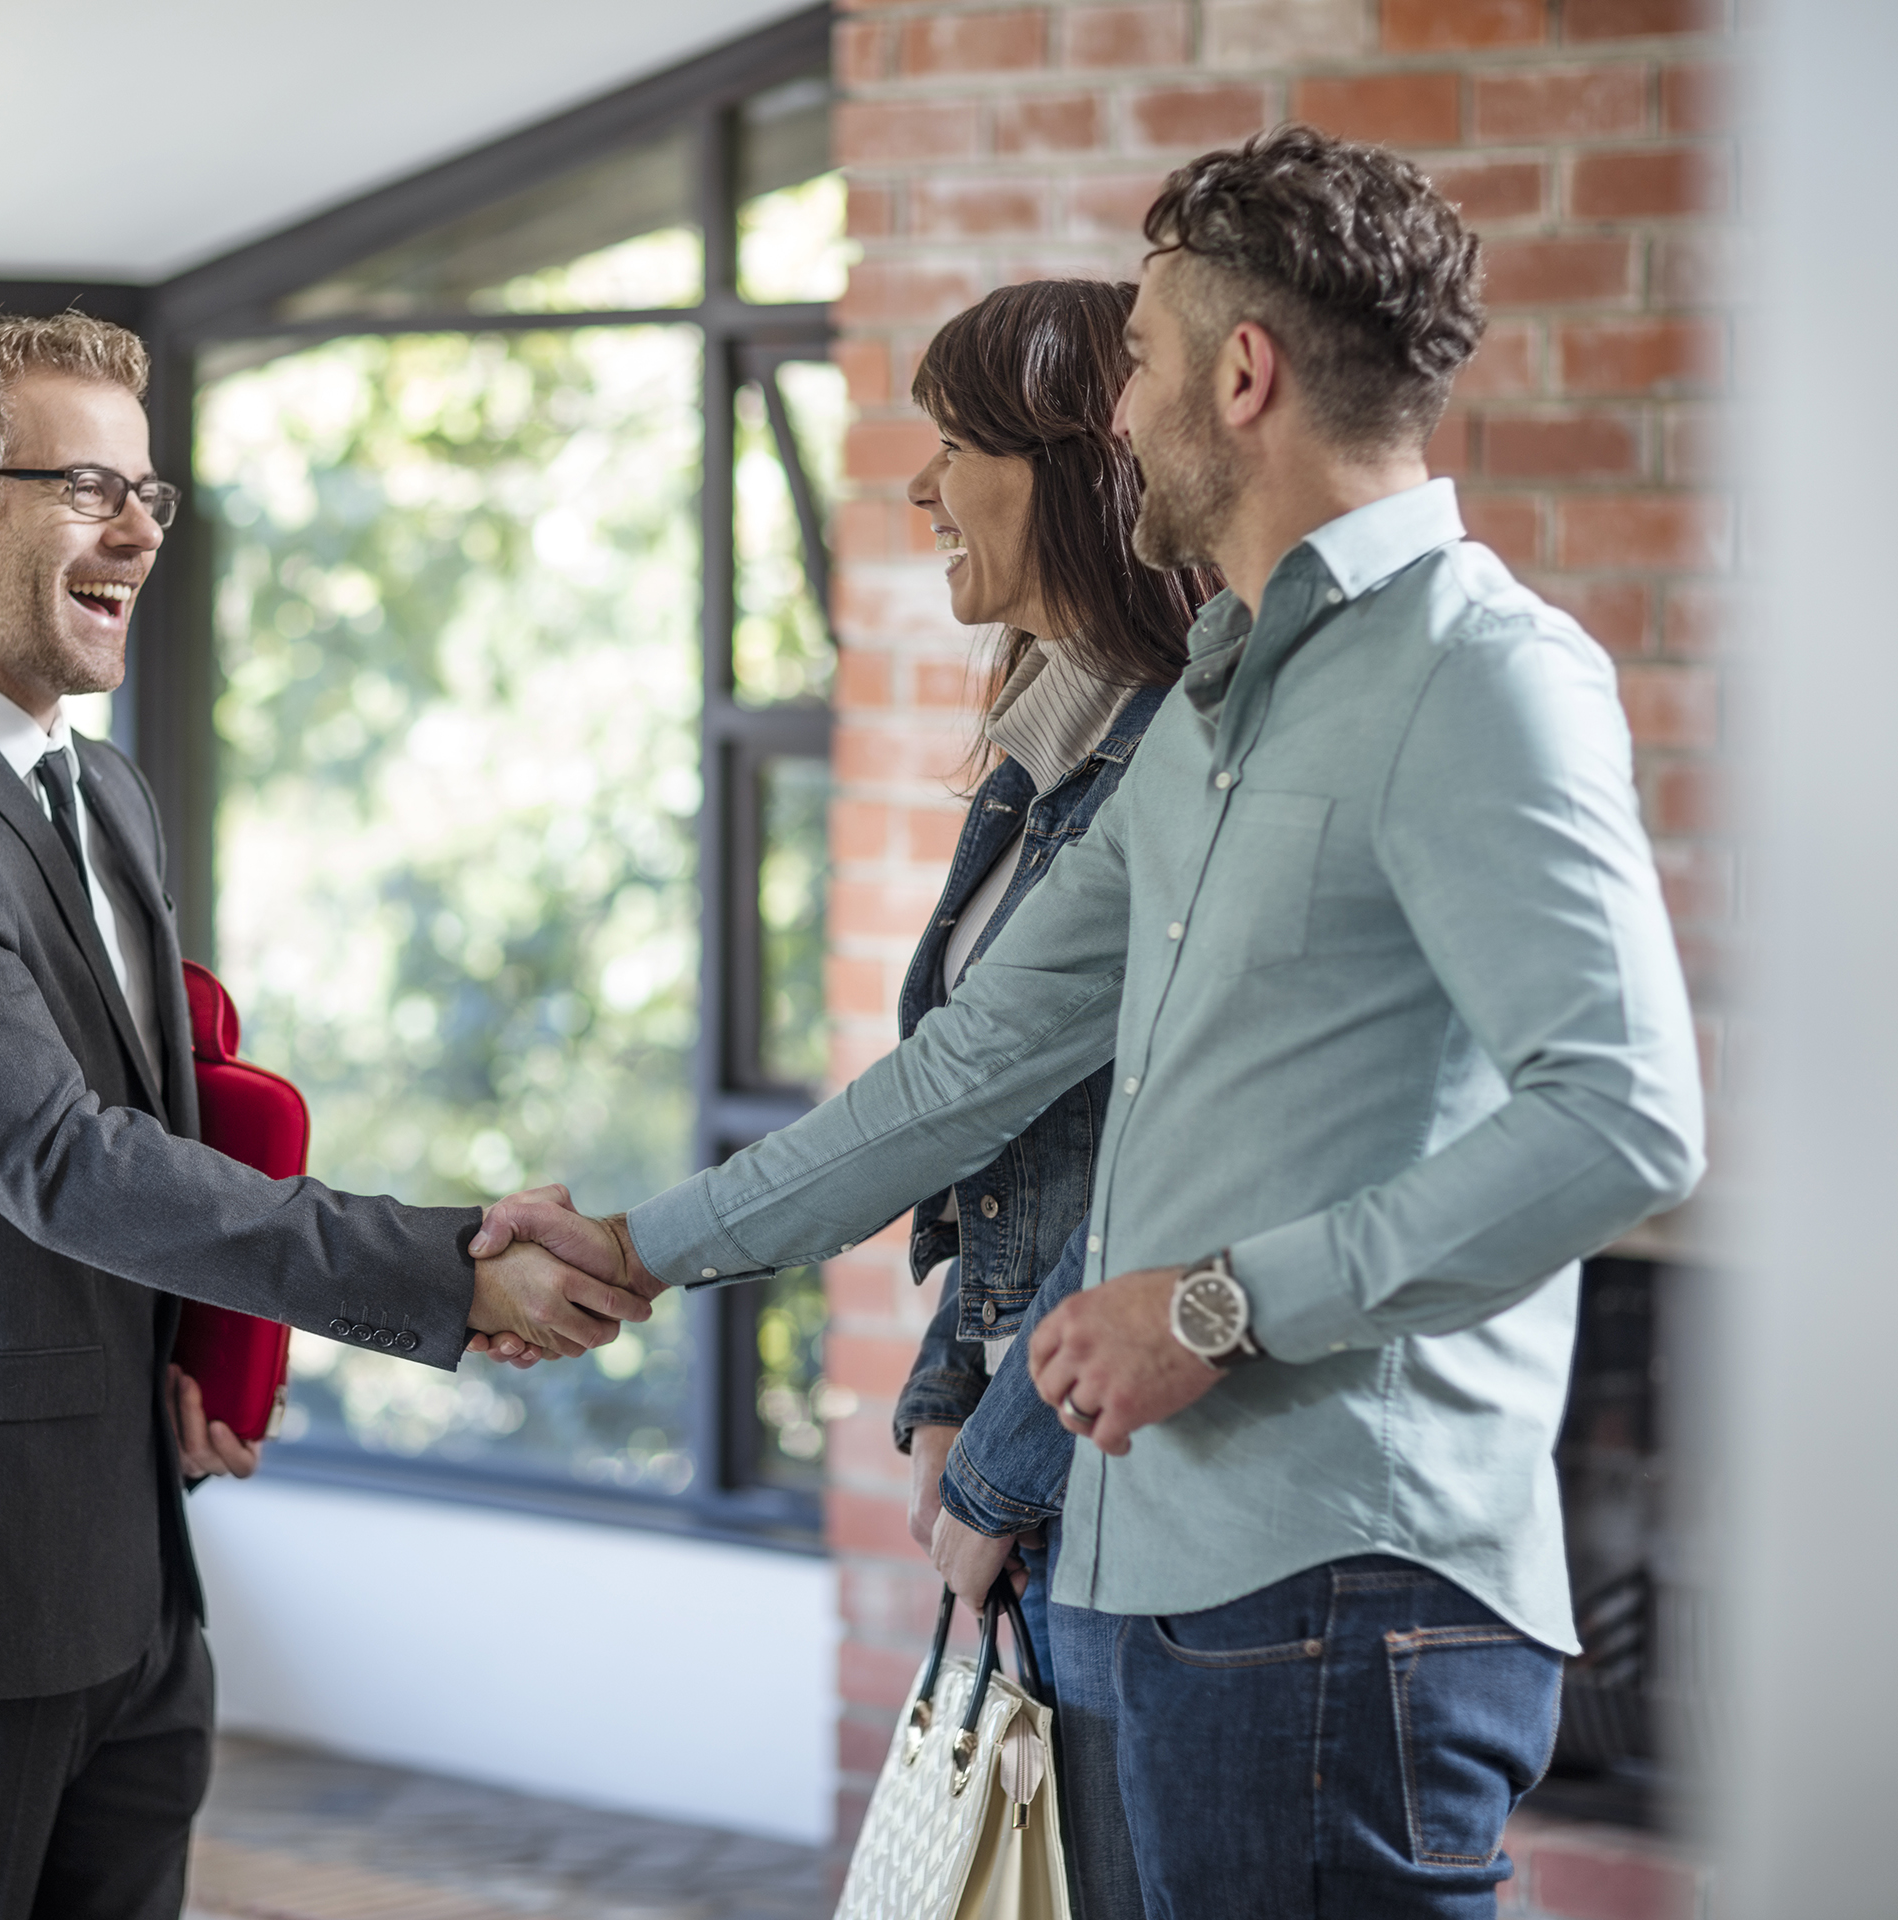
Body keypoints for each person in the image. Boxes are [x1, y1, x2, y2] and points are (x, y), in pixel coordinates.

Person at [479, 125, 1703, 1918]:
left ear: (1241, 373)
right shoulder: (1214, 707)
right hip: (1154, 1580)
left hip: (1346, 1596)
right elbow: (970, 1071)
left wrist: (1221, 1305)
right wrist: (643, 1248)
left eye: (1133, 360)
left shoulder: (1481, 674)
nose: (1113, 411)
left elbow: (1622, 1120)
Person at [0, 312, 639, 1920]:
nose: (143, 527)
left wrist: (189, 1355)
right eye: (88, 484)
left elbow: (152, 1120)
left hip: (126, 1559)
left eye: (151, 490)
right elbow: (63, 1164)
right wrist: (446, 1268)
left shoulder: (103, 790)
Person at [883, 279, 1215, 1920]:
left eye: (953, 446)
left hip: (1115, 1480)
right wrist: (948, 1386)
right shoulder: (1037, 752)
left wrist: (997, 1469)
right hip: (1035, 1470)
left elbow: (1154, 1161)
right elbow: (986, 1121)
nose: (921, 490)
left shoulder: (1177, 753)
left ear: (1074, 472)